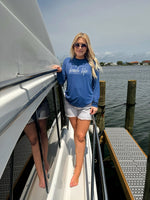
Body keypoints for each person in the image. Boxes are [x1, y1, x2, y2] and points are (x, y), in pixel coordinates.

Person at [53, 32, 100, 187]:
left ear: (87, 47)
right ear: (73, 46)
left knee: (79, 136)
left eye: (83, 45)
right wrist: (59, 72)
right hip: (70, 104)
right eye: (77, 44)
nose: (80, 47)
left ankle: (77, 171)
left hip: (86, 105)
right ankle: (81, 149)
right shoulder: (67, 62)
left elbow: (96, 85)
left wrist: (95, 103)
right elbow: (61, 81)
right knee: (77, 133)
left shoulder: (92, 62)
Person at [24, 98, 50, 188]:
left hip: (40, 100)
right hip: (22, 105)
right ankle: (40, 175)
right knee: (33, 140)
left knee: (43, 133)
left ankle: (45, 162)